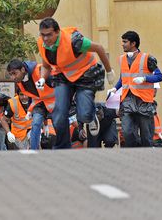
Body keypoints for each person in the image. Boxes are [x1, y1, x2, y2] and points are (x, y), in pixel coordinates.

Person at [36, 17, 115, 149]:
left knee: (84, 114)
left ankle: (92, 114)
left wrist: (109, 71)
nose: (45, 38)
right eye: (42, 35)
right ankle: (62, 148)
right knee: (59, 114)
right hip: (63, 77)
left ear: (57, 32)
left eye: (49, 34)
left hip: (86, 74)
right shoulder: (42, 44)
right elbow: (46, 65)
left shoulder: (74, 41)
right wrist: (42, 78)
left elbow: (99, 48)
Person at [108, 31, 162, 147]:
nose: (122, 44)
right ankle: (133, 157)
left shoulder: (147, 58)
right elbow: (123, 79)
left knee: (146, 137)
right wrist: (115, 88)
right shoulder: (122, 59)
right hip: (127, 101)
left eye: (125, 42)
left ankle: (145, 159)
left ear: (133, 43)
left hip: (143, 102)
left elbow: (160, 76)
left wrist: (144, 78)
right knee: (127, 133)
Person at [6, 59, 55, 150]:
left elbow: (59, 85)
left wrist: (46, 124)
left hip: (54, 101)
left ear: (23, 70)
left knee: (59, 124)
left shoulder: (39, 70)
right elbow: (30, 96)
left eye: (14, 73)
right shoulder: (20, 82)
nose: (13, 77)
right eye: (10, 74)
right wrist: (30, 110)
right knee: (35, 123)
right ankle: (33, 151)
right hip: (39, 104)